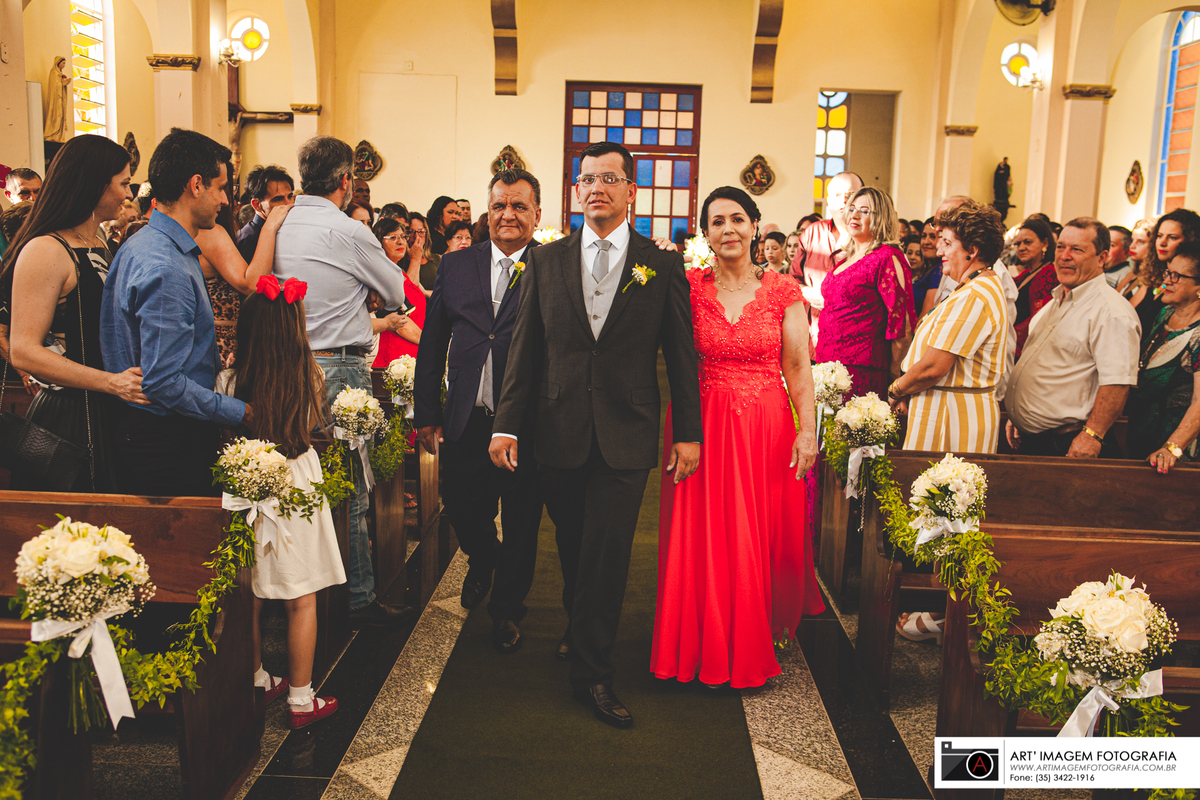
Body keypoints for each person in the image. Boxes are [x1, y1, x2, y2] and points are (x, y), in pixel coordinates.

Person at [489, 141, 702, 729]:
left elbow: (681, 355)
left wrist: (688, 432)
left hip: (627, 433)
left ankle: (593, 673)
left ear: (630, 190)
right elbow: (525, 352)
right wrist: (506, 423)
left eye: (610, 178)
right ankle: (581, 628)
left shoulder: (660, 265)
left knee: (607, 556)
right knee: (575, 547)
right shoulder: (546, 261)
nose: (597, 188)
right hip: (557, 428)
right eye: (588, 179)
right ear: (576, 191)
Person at [652, 186, 823, 689]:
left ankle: (751, 634)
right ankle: (700, 636)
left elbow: (798, 364)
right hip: (700, 424)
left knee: (755, 528)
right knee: (702, 530)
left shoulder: (783, 290)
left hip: (765, 425)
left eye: (737, 219)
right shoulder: (686, 286)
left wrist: (808, 431)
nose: (728, 229)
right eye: (717, 222)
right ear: (705, 234)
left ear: (754, 226)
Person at [273, 135, 413, 629]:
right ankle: (355, 598)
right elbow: (395, 290)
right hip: (337, 367)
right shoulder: (349, 229)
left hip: (286, 367)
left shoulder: (280, 222)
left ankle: (299, 599)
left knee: (295, 481)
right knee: (349, 487)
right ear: (346, 181)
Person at [415, 168, 545, 654]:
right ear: (487, 212)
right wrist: (426, 412)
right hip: (467, 417)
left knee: (522, 521)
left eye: (518, 206)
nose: (507, 215)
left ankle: (507, 609)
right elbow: (432, 343)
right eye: (498, 206)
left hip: (526, 424)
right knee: (462, 507)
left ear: (537, 214)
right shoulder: (456, 265)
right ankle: (483, 557)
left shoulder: (550, 266)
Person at [216, 279, 344, 729]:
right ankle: (301, 699)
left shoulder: (228, 379)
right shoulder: (311, 374)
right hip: (296, 481)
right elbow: (313, 424)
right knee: (301, 596)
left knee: (249, 591)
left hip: (246, 480)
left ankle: (256, 678)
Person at [101, 128, 247, 496]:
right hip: (166, 438)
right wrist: (241, 412)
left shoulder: (146, 243)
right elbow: (163, 382)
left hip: (151, 429)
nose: (225, 199)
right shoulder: (166, 265)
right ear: (196, 185)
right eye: (220, 187)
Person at [1, 136, 145, 492]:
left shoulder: (97, 242)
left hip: (107, 407)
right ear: (94, 184)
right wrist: (110, 382)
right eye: (123, 183)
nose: (128, 194)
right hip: (70, 416)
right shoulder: (46, 249)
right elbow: (24, 351)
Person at [1005, 219, 1140, 458]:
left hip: (1067, 442)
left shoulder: (1111, 311)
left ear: (1101, 258)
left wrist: (1093, 435)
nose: (1065, 256)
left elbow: (1117, 384)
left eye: (1077, 249)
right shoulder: (1057, 299)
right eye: (1061, 247)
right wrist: (1020, 414)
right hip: (1032, 438)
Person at [889, 201, 1009, 454]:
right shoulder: (972, 287)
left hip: (953, 416)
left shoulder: (975, 294)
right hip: (945, 406)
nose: (938, 248)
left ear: (972, 250)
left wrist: (895, 389)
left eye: (947, 242)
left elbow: (933, 367)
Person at [813, 186, 915, 397]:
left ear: (881, 217)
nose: (855, 215)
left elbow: (901, 324)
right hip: (827, 365)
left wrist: (895, 377)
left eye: (865, 211)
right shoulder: (846, 258)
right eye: (852, 209)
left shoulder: (887, 257)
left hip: (861, 369)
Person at [1126, 242, 1200, 467]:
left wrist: (1172, 447)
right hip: (1143, 433)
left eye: (1177, 276)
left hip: (1176, 454)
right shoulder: (1165, 313)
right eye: (1168, 272)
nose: (1167, 280)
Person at [787, 172, 864, 344]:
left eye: (850, 194)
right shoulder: (812, 233)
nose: (844, 200)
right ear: (828, 200)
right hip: (813, 335)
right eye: (837, 195)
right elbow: (793, 281)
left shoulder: (871, 239)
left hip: (855, 337)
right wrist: (812, 294)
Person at [1130, 210, 1200, 335]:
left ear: (1190, 240)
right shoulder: (1154, 276)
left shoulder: (1189, 282)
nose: (1162, 243)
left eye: (1172, 237)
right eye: (1159, 236)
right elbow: (1129, 314)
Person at [370, 217, 424, 367]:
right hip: (397, 358)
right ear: (379, 242)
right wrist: (431, 343)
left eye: (403, 237)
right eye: (393, 237)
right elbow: (400, 322)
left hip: (413, 352)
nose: (400, 242)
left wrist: (416, 258)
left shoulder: (397, 271)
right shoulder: (380, 273)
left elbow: (411, 293)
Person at [1008, 217, 1059, 358]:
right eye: (1018, 244)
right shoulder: (1026, 274)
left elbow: (1039, 318)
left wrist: (1007, 336)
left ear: (1045, 243)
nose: (1021, 248)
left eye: (1028, 242)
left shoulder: (1048, 272)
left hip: (1027, 349)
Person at [236, 164, 295, 263]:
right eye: (278, 199)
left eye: (290, 196)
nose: (288, 204)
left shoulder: (286, 228)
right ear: (257, 205)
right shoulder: (248, 240)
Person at [1118, 219, 1155, 299]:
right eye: (1132, 240)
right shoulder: (1133, 273)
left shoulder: (1154, 280)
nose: (1132, 246)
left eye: (1141, 242)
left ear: (1153, 245)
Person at [408, 212, 438, 290]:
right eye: (411, 231)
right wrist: (415, 258)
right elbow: (408, 292)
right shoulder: (399, 262)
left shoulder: (436, 259)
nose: (416, 237)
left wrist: (426, 293)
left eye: (421, 231)